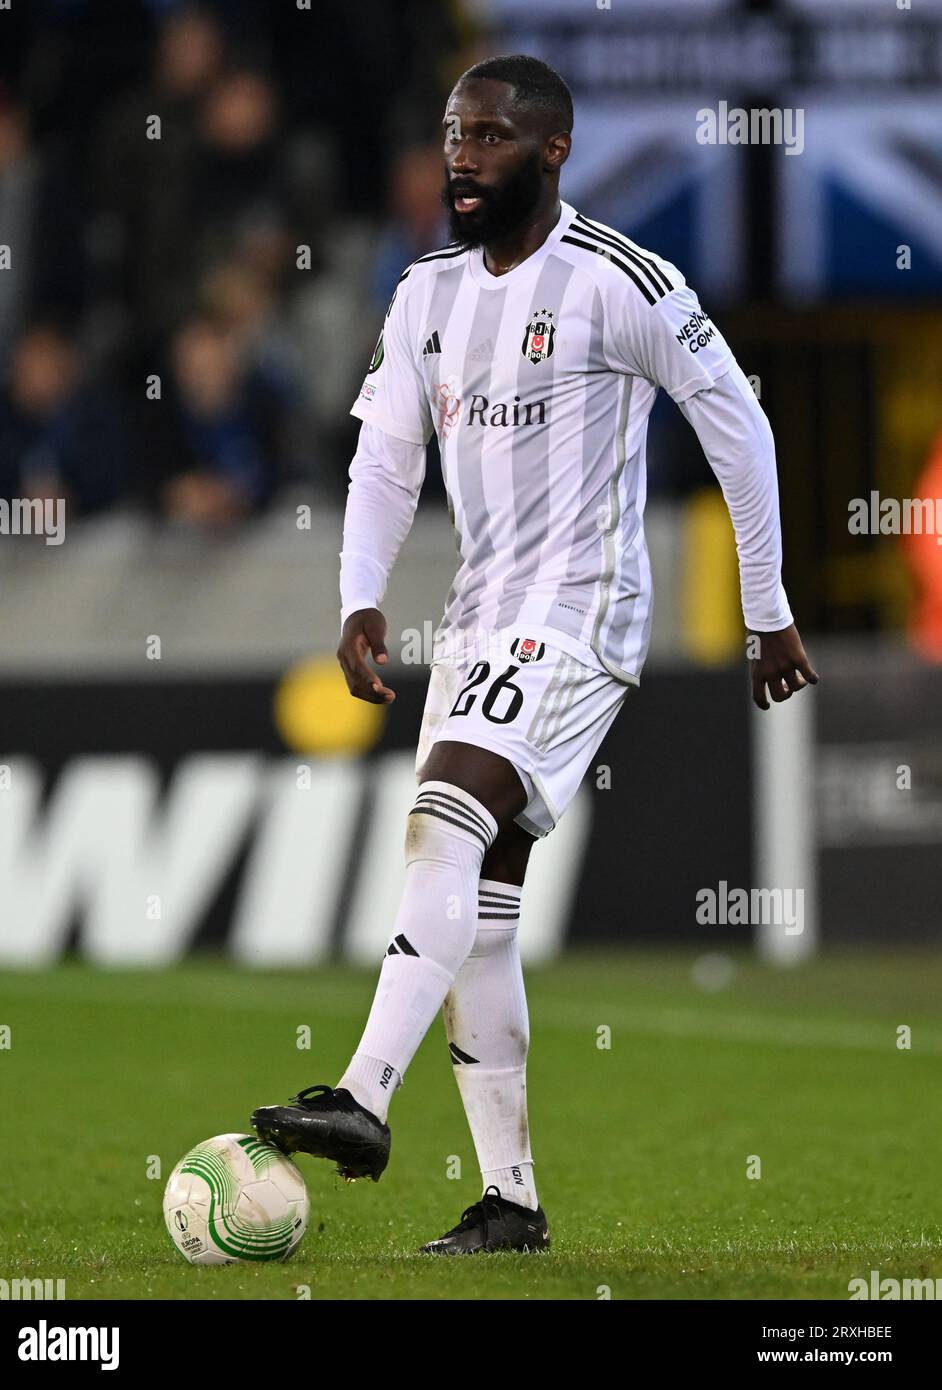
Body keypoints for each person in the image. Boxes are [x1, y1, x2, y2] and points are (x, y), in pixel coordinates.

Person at [252, 54, 818, 1254]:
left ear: (551, 151)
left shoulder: (621, 282)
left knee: (443, 814)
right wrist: (359, 598)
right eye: (455, 132)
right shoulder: (425, 296)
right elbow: (383, 461)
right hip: (474, 615)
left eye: (492, 136)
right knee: (485, 915)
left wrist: (764, 603)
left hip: (581, 608)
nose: (464, 155)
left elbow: (739, 424)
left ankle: (361, 1093)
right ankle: (509, 1199)